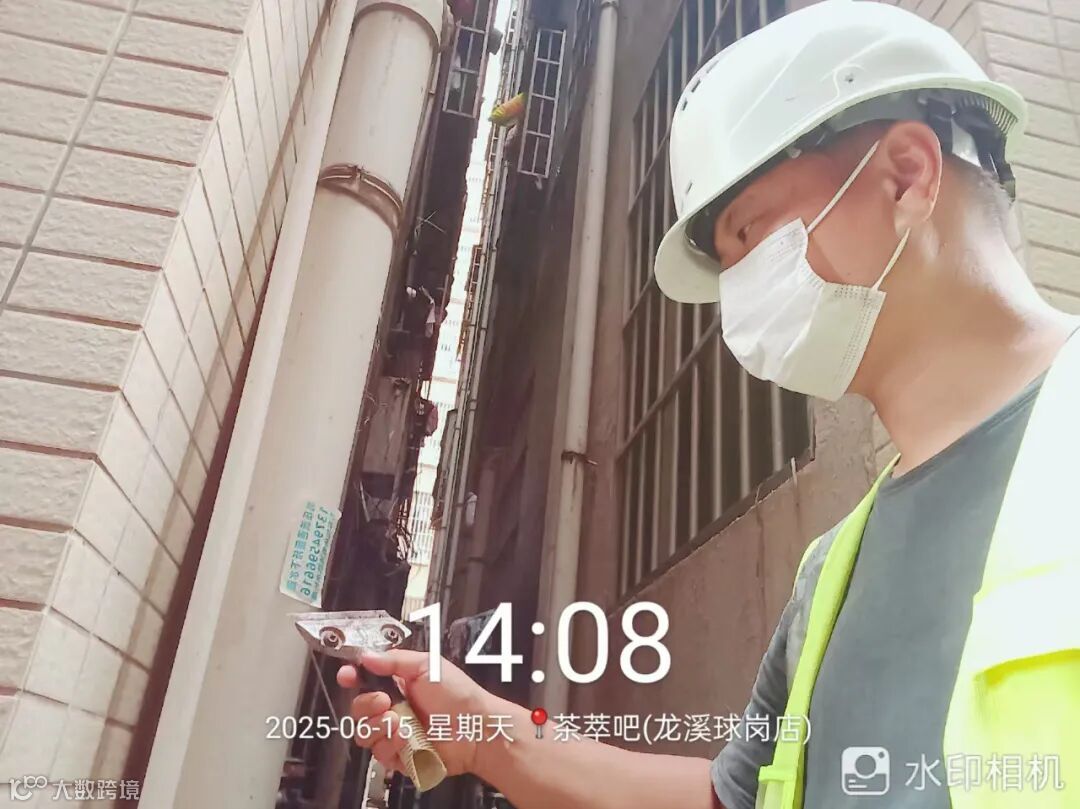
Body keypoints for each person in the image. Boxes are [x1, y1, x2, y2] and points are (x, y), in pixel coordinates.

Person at [338, 2, 1080, 807]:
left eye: (750, 233)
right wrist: (485, 735)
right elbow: (731, 797)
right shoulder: (831, 572)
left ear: (905, 176)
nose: (741, 301)